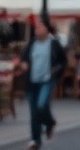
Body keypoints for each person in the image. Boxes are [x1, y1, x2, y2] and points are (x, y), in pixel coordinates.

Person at [20, 15, 67, 150]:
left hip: (47, 80)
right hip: (32, 81)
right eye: (36, 27)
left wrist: (55, 72)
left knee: (41, 105)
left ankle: (50, 122)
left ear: (47, 29)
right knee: (34, 112)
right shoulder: (32, 43)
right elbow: (23, 57)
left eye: (40, 27)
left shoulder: (54, 44)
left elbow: (62, 61)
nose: (37, 29)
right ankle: (35, 140)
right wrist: (23, 64)